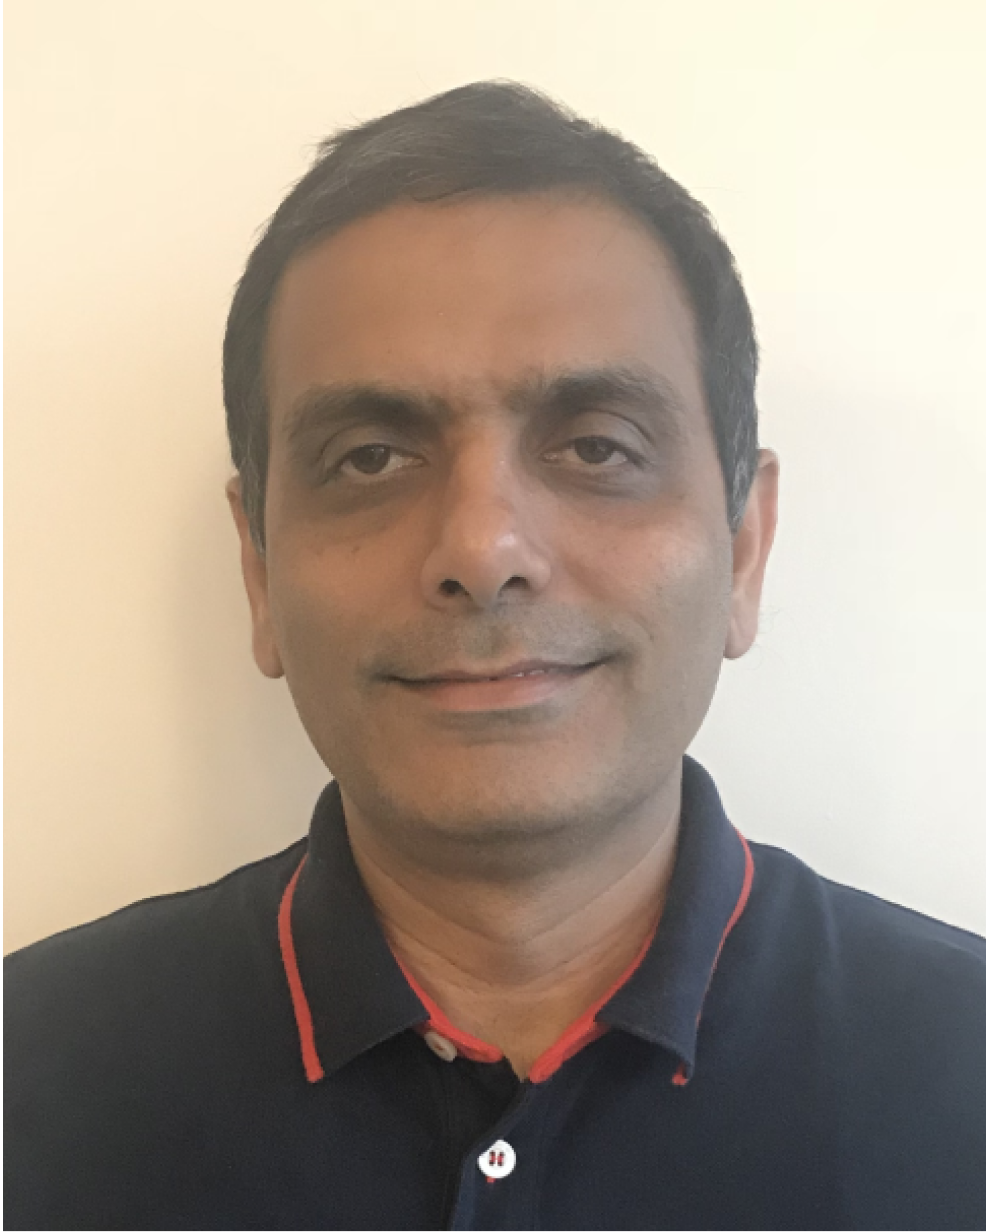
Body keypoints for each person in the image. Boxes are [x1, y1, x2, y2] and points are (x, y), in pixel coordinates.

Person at [4, 81, 984, 1232]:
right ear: (259, 569)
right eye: (370, 457)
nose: (481, 549)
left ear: (743, 548)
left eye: (596, 446)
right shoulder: (35, 1075)